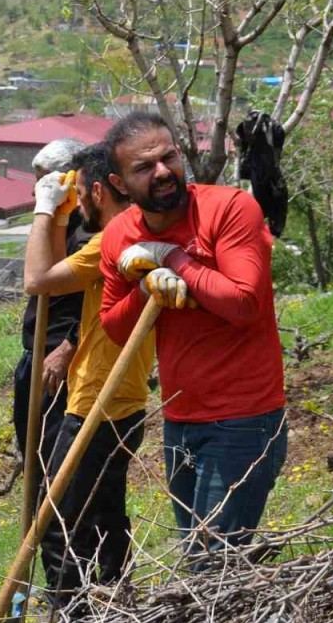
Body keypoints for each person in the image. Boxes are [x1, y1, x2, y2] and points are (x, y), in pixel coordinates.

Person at [97, 112, 287, 555]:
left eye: (168, 157)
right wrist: (146, 291)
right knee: (201, 556)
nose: (163, 172)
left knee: (210, 561)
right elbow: (115, 328)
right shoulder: (119, 236)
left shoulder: (229, 209)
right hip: (180, 420)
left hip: (244, 418)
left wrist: (172, 258)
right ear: (119, 183)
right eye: (144, 167)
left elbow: (243, 304)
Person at [22, 144, 153, 605]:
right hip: (125, 398)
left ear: (99, 190)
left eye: (79, 194)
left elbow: (37, 280)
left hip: (96, 400)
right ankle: (117, 597)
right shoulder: (135, 229)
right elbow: (59, 275)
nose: (76, 204)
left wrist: (42, 212)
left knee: (56, 522)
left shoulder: (111, 240)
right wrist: (58, 219)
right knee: (106, 510)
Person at [12, 139, 88, 477]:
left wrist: (68, 347)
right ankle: (36, 528)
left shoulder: (89, 231)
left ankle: (56, 526)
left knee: (56, 462)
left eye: (45, 181)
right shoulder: (57, 220)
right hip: (35, 354)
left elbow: (99, 302)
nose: (36, 191)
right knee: (32, 456)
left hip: (60, 357)